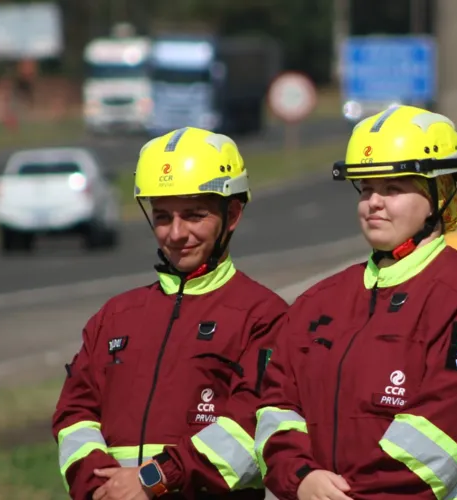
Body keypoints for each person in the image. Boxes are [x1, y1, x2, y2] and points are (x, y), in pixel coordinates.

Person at [253, 105, 457, 500]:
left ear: (441, 192)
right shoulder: (319, 302)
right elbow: (276, 408)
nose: (373, 202)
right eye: (367, 188)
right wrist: (300, 478)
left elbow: (439, 442)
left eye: (393, 189)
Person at [52, 126, 288, 500]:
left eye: (194, 215)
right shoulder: (114, 317)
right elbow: (74, 418)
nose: (176, 233)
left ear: (233, 214)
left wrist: (153, 480)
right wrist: (99, 485)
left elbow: (251, 429)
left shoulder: (264, 316)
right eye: (162, 217)